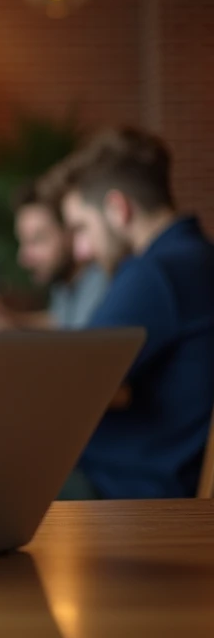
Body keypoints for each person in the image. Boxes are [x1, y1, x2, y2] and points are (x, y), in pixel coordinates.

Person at [56, 126, 214, 499]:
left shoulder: (155, 273)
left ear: (117, 208)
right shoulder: (199, 258)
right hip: (158, 477)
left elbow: (68, 384)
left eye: (82, 228)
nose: (81, 252)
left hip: (127, 491)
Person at [0, 179, 108, 331]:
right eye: (23, 242)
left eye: (37, 240)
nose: (23, 258)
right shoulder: (67, 282)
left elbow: (80, 343)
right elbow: (60, 322)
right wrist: (8, 319)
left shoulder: (101, 280)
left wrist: (8, 328)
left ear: (71, 233)